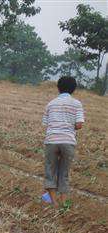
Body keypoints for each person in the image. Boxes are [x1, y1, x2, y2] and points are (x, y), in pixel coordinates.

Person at [42, 76, 84, 207]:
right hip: (68, 141)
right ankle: (64, 202)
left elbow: (45, 123)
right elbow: (79, 125)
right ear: (74, 89)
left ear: (58, 88)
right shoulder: (77, 104)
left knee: (50, 172)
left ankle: (54, 203)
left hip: (52, 140)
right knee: (64, 173)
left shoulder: (51, 104)